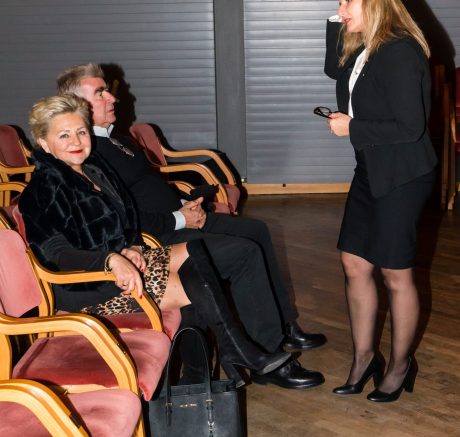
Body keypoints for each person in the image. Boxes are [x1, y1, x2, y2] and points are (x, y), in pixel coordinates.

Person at [56, 63, 326, 389]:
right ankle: (267, 354)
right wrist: (181, 217)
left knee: (256, 231)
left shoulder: (115, 139)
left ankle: (284, 326)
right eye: (100, 93)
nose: (112, 97)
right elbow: (123, 218)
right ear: (77, 106)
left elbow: (147, 187)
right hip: (156, 235)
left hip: (175, 217)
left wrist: (185, 204)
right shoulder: (86, 155)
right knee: (244, 252)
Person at [18, 94, 291, 388]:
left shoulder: (92, 168)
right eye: (64, 135)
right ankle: (227, 356)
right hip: (87, 286)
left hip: (119, 266)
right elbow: (58, 254)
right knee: (193, 283)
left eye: (81, 131)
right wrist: (111, 260)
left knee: (195, 254)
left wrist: (133, 245)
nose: (76, 141)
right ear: (44, 143)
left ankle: (208, 370)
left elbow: (127, 216)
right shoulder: (42, 189)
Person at [324, 0, 437, 402]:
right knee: (354, 262)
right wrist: (340, 18)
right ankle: (364, 358)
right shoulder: (364, 46)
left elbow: (410, 127)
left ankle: (401, 366)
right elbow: (332, 67)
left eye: (346, 1)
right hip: (372, 167)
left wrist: (353, 127)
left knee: (394, 272)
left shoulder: (399, 49)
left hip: (403, 174)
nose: (340, 9)